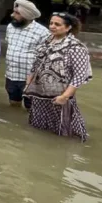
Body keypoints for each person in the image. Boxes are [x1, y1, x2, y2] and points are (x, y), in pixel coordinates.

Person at [24, 12, 92, 141]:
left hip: (60, 96)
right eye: (51, 23)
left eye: (57, 24)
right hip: (39, 95)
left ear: (68, 27)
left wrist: (65, 97)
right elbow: (35, 66)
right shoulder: (46, 43)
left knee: (65, 132)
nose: (52, 26)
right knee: (38, 128)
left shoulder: (76, 47)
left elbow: (79, 76)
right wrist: (28, 85)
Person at [5, 0, 50, 109]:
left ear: (27, 15)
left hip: (31, 79)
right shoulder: (10, 27)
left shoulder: (42, 32)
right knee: (13, 104)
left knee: (31, 108)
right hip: (11, 75)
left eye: (17, 13)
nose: (12, 15)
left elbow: (45, 57)